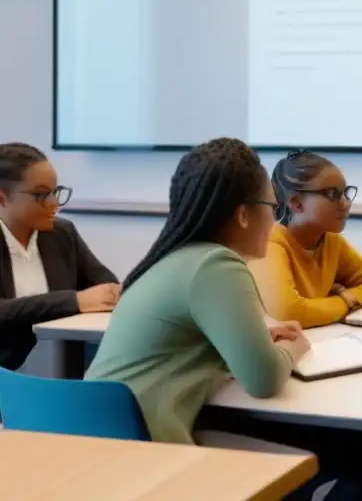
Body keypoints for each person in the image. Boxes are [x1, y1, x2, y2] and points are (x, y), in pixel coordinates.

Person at [86, 138, 311, 445]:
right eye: (272, 207)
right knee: (350, 455)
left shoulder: (169, 258)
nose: (275, 220)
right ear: (243, 215)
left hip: (98, 443)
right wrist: (295, 348)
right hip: (145, 452)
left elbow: (181, 345)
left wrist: (252, 341)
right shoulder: (217, 265)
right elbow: (264, 379)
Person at [0, 142, 118, 370]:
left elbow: (106, 285)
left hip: (59, 363)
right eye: (41, 194)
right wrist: (75, 301)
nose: (54, 203)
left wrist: (105, 294)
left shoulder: (62, 233)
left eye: (55, 192)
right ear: (2, 198)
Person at [250, 150, 362, 328]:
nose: (346, 203)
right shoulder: (270, 244)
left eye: (345, 193)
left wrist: (323, 306)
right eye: (332, 194)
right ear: (296, 203)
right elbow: (287, 313)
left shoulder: (331, 241)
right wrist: (345, 301)